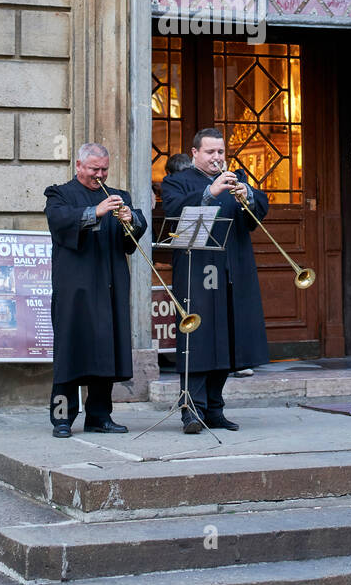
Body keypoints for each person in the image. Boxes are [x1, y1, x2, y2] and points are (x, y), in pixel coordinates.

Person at [160, 128, 269, 434]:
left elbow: (256, 216)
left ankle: (215, 409)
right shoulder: (176, 181)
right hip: (197, 271)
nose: (217, 158)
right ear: (194, 153)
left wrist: (249, 195)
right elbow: (173, 211)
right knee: (199, 339)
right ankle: (191, 410)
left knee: (227, 338)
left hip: (233, 269)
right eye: (210, 152)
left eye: (221, 152)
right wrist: (211, 192)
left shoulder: (238, 179)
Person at [44, 142, 147, 438]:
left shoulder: (120, 196)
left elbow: (130, 243)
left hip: (111, 285)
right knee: (70, 352)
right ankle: (62, 418)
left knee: (107, 352)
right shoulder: (59, 194)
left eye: (104, 170)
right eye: (93, 169)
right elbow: (59, 223)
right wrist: (95, 211)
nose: (99, 175)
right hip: (75, 288)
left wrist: (133, 221)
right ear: (78, 166)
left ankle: (99, 416)